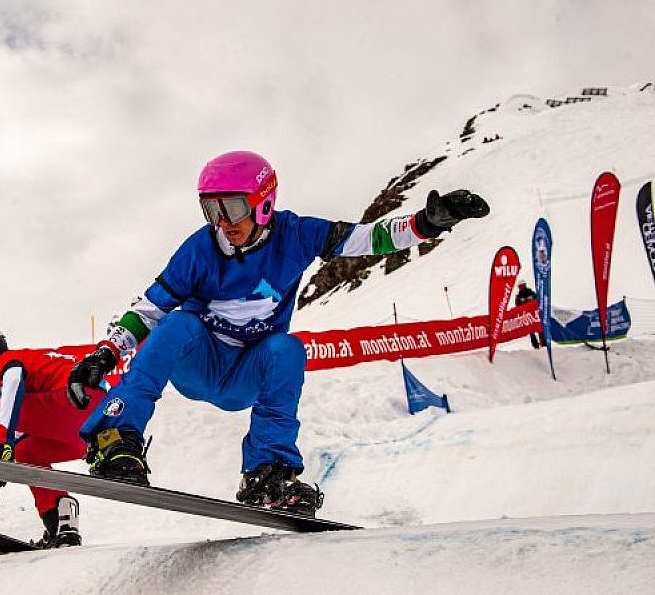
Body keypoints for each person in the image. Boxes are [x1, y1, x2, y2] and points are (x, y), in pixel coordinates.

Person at [66, 150, 490, 513]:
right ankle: (115, 440)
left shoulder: (297, 235)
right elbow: (149, 309)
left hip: (248, 374)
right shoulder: (200, 248)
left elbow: (368, 239)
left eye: (232, 208)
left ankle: (267, 473)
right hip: (200, 362)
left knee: (287, 348)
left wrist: (427, 224)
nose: (223, 222)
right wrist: (105, 354)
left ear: (263, 203)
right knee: (177, 322)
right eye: (211, 210)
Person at [0, 327, 106, 548]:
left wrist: (4, 443)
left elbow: (13, 384)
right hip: (91, 427)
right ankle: (61, 522)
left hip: (74, 401)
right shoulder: (39, 363)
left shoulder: (9, 360)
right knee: (27, 453)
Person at [515, 281, 541, 349]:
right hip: (527, 316)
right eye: (520, 286)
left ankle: (542, 344)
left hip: (534, 314)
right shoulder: (519, 296)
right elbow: (517, 307)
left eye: (522, 285)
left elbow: (538, 301)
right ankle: (536, 345)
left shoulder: (531, 293)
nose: (521, 287)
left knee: (539, 329)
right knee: (532, 331)